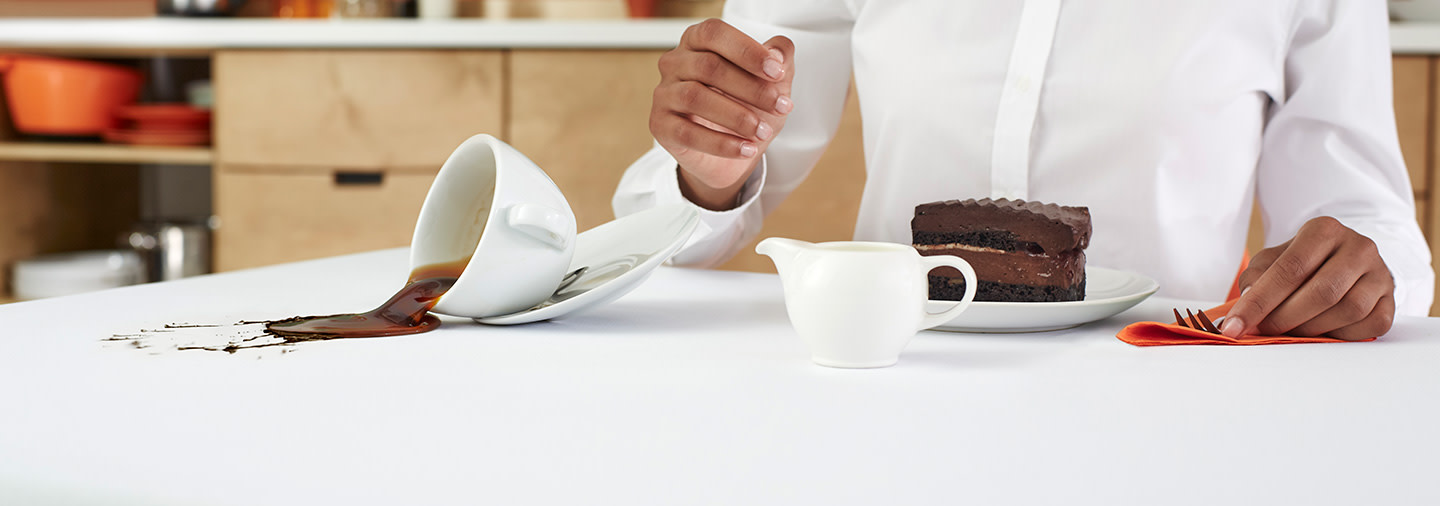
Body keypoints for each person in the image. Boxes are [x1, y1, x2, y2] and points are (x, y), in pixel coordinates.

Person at [612, 0, 1434, 340]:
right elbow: (689, 217)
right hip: (888, 378)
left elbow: (1371, 224)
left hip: (1164, 408)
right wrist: (709, 164)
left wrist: (1362, 267)